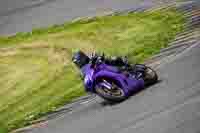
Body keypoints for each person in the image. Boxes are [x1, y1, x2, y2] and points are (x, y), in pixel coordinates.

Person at [72, 50, 146, 78]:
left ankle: (133, 70)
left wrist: (99, 57)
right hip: (101, 77)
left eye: (78, 60)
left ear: (82, 57)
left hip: (106, 68)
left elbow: (98, 54)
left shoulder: (91, 58)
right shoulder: (82, 72)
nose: (78, 63)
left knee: (113, 59)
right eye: (77, 62)